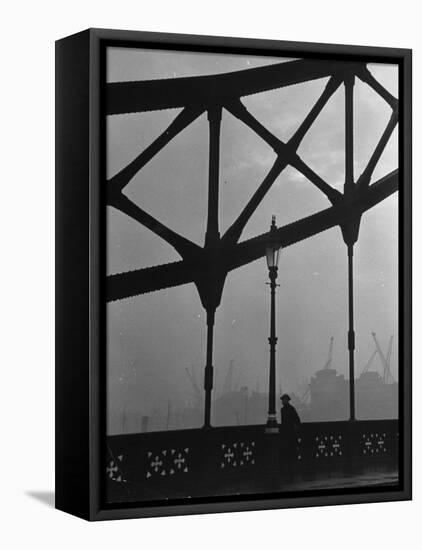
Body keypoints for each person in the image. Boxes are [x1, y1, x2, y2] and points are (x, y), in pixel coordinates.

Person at [280, 394, 301, 462]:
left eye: (283, 400)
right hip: (290, 431)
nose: (282, 401)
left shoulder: (286, 409)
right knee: (292, 448)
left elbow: (296, 420)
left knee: (289, 447)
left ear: (286, 400)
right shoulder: (290, 408)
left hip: (289, 431)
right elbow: (297, 420)